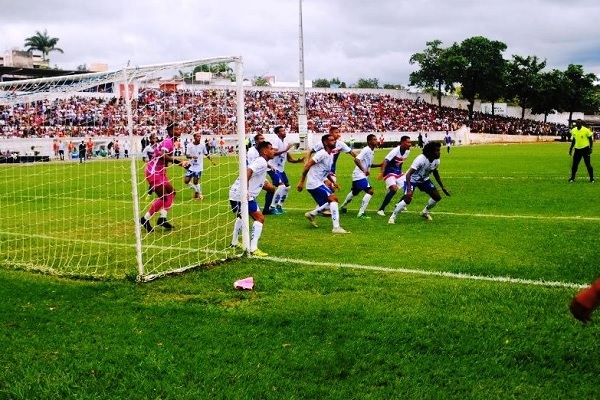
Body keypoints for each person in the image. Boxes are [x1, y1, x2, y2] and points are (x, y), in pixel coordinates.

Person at [140, 122, 190, 233]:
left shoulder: (170, 141)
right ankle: (145, 219)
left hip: (161, 172)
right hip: (153, 172)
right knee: (163, 197)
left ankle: (162, 218)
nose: (179, 131)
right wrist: (180, 163)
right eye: (177, 129)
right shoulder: (168, 141)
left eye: (179, 129)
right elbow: (163, 155)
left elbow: (164, 157)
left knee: (172, 193)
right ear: (171, 131)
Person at [228, 141, 275, 257]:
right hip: (242, 193)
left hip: (235, 192)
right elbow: (248, 171)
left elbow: (253, 174)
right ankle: (253, 248)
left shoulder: (261, 161)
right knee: (260, 218)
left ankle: (234, 242)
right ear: (265, 151)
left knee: (241, 216)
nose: (273, 151)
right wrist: (246, 190)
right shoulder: (262, 162)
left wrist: (263, 184)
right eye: (271, 149)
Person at [297, 133, 350, 234]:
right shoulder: (321, 153)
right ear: (325, 142)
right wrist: (301, 182)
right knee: (333, 199)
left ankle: (312, 214)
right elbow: (308, 165)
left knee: (330, 203)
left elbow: (327, 171)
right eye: (331, 140)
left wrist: (334, 182)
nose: (334, 141)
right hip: (314, 183)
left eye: (334, 140)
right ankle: (336, 227)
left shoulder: (330, 155)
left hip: (318, 183)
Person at [388, 142, 450, 224]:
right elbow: (408, 174)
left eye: (439, 150)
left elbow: (435, 173)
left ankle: (424, 212)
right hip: (411, 179)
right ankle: (393, 217)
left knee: (437, 197)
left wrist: (443, 187)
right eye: (437, 151)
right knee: (407, 199)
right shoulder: (421, 159)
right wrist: (409, 190)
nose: (439, 152)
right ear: (431, 151)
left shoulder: (437, 161)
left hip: (424, 180)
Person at [264, 125, 304, 215]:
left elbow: (289, 159)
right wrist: (286, 149)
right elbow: (273, 153)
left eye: (284, 130)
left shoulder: (285, 143)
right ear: (277, 133)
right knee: (281, 186)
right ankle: (272, 207)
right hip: (272, 167)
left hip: (280, 169)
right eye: (282, 131)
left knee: (287, 187)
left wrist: (298, 161)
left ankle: (279, 206)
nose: (284, 132)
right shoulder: (276, 141)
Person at [340, 134, 382, 219]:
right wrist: (363, 170)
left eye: (376, 139)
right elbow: (356, 159)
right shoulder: (366, 150)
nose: (376, 141)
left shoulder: (371, 151)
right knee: (370, 191)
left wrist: (379, 165)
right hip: (359, 175)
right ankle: (361, 213)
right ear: (369, 141)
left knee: (354, 192)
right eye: (374, 139)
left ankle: (342, 207)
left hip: (360, 175)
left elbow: (369, 165)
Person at [376, 135, 412, 216]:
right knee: (394, 189)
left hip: (397, 172)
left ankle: (399, 204)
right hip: (388, 172)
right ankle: (381, 209)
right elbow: (385, 161)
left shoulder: (407, 151)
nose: (410, 144)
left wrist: (400, 173)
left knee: (410, 188)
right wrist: (382, 172)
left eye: (410, 142)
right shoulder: (395, 150)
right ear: (402, 142)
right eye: (408, 142)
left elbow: (400, 163)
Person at [184, 132, 215, 200]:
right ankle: (197, 191)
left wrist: (212, 161)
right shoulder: (189, 145)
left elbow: (206, 154)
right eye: (198, 137)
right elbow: (187, 155)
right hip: (191, 166)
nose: (199, 138)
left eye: (200, 137)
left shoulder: (202, 146)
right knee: (186, 181)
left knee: (195, 182)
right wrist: (192, 156)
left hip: (198, 167)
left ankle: (199, 194)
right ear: (194, 137)